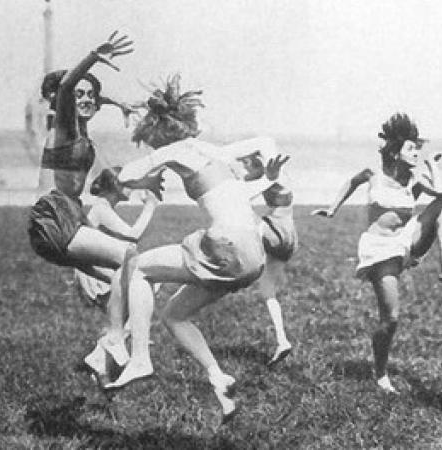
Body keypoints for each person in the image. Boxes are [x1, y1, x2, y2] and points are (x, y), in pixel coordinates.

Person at [87, 75, 278, 423]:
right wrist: (272, 170)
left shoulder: (174, 151)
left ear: (158, 131)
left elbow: (125, 175)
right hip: (254, 256)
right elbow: (265, 141)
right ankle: (218, 379)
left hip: (226, 245)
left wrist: (146, 176)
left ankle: (140, 357)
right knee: (175, 315)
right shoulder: (212, 151)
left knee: (138, 268)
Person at [312, 113, 442, 394]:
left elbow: (441, 194)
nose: (416, 153)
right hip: (379, 249)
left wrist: (433, 167)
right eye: (411, 149)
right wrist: (333, 208)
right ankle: (381, 371)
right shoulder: (373, 173)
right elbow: (351, 182)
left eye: (418, 149)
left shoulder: (415, 180)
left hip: (406, 242)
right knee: (391, 318)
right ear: (395, 152)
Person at [27, 32, 154, 299]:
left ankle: (115, 335)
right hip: (52, 218)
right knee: (130, 258)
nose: (86, 99)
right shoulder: (64, 129)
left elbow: (87, 98)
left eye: (91, 95)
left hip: (70, 216)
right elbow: (66, 89)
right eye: (79, 94)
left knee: (127, 283)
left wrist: (117, 101)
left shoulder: (82, 131)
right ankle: (116, 337)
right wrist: (93, 57)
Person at [220, 138, 297, 366]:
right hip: (290, 236)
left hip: (274, 231)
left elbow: (240, 191)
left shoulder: (272, 175)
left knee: (236, 215)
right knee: (268, 291)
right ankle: (282, 340)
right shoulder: (277, 177)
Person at [74, 167, 158, 312]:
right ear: (115, 184)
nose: (132, 188)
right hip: (95, 275)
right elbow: (133, 235)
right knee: (147, 280)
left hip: (97, 270)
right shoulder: (101, 209)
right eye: (129, 184)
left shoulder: (103, 207)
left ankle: (127, 331)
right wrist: (150, 206)